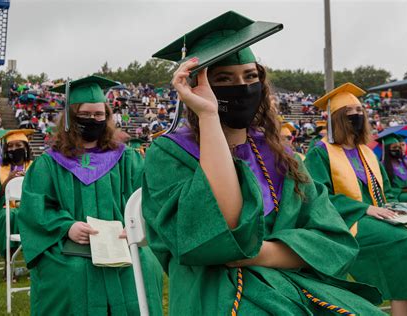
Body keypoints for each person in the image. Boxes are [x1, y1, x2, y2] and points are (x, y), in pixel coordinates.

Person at [143, 11, 382, 315]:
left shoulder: (279, 153)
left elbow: (332, 238)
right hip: (217, 289)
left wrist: (260, 253)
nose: (242, 87)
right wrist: (209, 114)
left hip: (291, 280)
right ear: (195, 88)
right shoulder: (169, 153)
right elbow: (219, 234)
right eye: (223, 79)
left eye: (250, 77)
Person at [18, 75, 163, 315]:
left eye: (99, 115)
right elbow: (36, 209)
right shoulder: (49, 164)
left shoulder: (126, 158)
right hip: (69, 245)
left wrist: (136, 225)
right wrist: (67, 227)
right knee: (75, 271)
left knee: (144, 264)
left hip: (123, 243)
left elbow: (147, 197)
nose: (93, 120)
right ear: (71, 118)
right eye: (85, 115)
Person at [305, 83, 407, 316]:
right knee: (406, 243)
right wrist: (364, 208)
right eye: (349, 112)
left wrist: (394, 207)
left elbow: (385, 189)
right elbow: (316, 197)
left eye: (360, 111)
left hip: (379, 217)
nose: (356, 115)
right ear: (337, 118)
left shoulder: (365, 151)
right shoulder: (320, 152)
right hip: (346, 222)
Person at [0, 129, 34, 261]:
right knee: (10, 215)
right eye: (10, 146)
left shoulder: (36, 167)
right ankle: (9, 261)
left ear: (26, 147)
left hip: (31, 209)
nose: (14, 149)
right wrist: (7, 181)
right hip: (5, 210)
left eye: (18, 145)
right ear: (6, 149)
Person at [377, 134, 407, 212]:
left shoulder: (405, 163)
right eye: (394, 148)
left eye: (399, 147)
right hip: (397, 195)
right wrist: (403, 190)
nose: (397, 149)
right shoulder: (383, 166)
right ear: (387, 149)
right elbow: (385, 188)